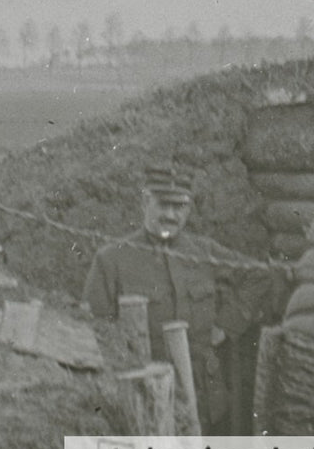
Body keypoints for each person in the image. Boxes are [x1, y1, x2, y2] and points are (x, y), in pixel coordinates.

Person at [84, 161, 285, 432]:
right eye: (163, 204)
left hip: (208, 396)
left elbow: (258, 275)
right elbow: (97, 330)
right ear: (145, 202)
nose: (171, 215)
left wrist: (226, 325)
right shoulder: (112, 260)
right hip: (150, 395)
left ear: (189, 208)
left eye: (179, 207)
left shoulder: (202, 251)